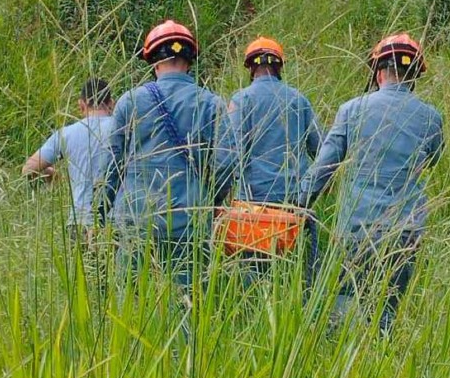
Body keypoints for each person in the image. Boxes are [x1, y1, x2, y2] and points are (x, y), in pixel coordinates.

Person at [299, 33, 443, 332]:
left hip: (356, 229)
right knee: (386, 310)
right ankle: (381, 360)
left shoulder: (351, 110)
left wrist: (297, 204)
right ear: (414, 75)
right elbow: (433, 158)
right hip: (406, 231)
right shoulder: (431, 117)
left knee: (345, 301)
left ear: (378, 72)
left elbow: (323, 168)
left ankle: (343, 364)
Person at [103, 20, 236, 286]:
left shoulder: (130, 101)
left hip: (135, 219)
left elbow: (111, 165)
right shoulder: (211, 103)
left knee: (129, 299)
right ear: (190, 60)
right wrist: (210, 198)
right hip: (189, 220)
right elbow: (227, 164)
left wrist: (102, 211)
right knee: (187, 302)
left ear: (152, 61)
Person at [227, 37, 321, 282]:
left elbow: (232, 153)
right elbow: (320, 149)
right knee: (292, 272)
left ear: (250, 68)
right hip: (292, 201)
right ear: (280, 66)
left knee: (252, 273)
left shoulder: (241, 100)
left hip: (252, 204)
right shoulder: (299, 100)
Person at [22, 77, 115, 243]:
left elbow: (29, 169)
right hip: (117, 222)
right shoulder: (124, 129)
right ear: (111, 104)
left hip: (79, 222)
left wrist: (53, 175)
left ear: (81, 105)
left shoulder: (66, 134)